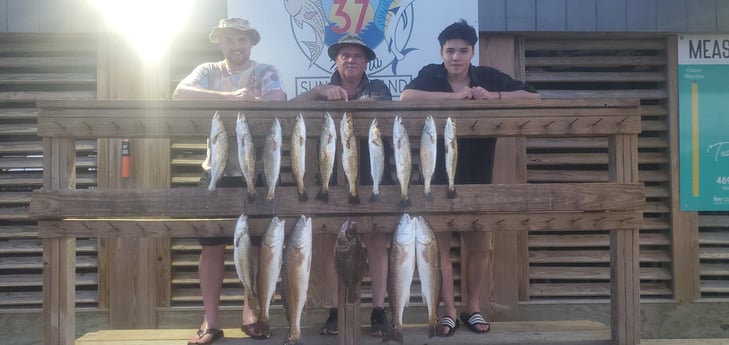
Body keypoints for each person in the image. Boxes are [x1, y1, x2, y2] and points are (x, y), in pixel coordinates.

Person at [400, 19, 539, 337]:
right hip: (435, 179)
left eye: (463, 50)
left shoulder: (488, 77)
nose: (456, 57)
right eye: (450, 51)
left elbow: (533, 97)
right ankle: (448, 310)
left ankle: (472, 307)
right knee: (440, 248)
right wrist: (456, 98)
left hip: (478, 177)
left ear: (472, 52)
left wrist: (493, 97)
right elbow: (407, 97)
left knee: (479, 246)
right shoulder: (431, 74)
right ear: (441, 53)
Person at [173, 17, 287, 345]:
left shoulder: (266, 71)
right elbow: (181, 92)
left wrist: (242, 101)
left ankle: (251, 310)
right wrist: (233, 98)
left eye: (242, 40)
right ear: (219, 43)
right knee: (211, 248)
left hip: (256, 173)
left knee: (254, 246)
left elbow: (276, 100)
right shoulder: (207, 70)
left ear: (251, 43)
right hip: (215, 172)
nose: (236, 46)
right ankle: (210, 320)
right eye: (230, 40)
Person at [294, 34, 393, 337]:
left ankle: (378, 309)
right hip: (329, 176)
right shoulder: (323, 90)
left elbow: (388, 114)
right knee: (331, 243)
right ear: (336, 60)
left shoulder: (379, 88)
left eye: (357, 56)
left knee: (376, 241)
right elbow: (289, 108)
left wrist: (368, 106)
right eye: (345, 55)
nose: (351, 60)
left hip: (373, 176)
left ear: (366, 63)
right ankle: (335, 310)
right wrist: (319, 91)